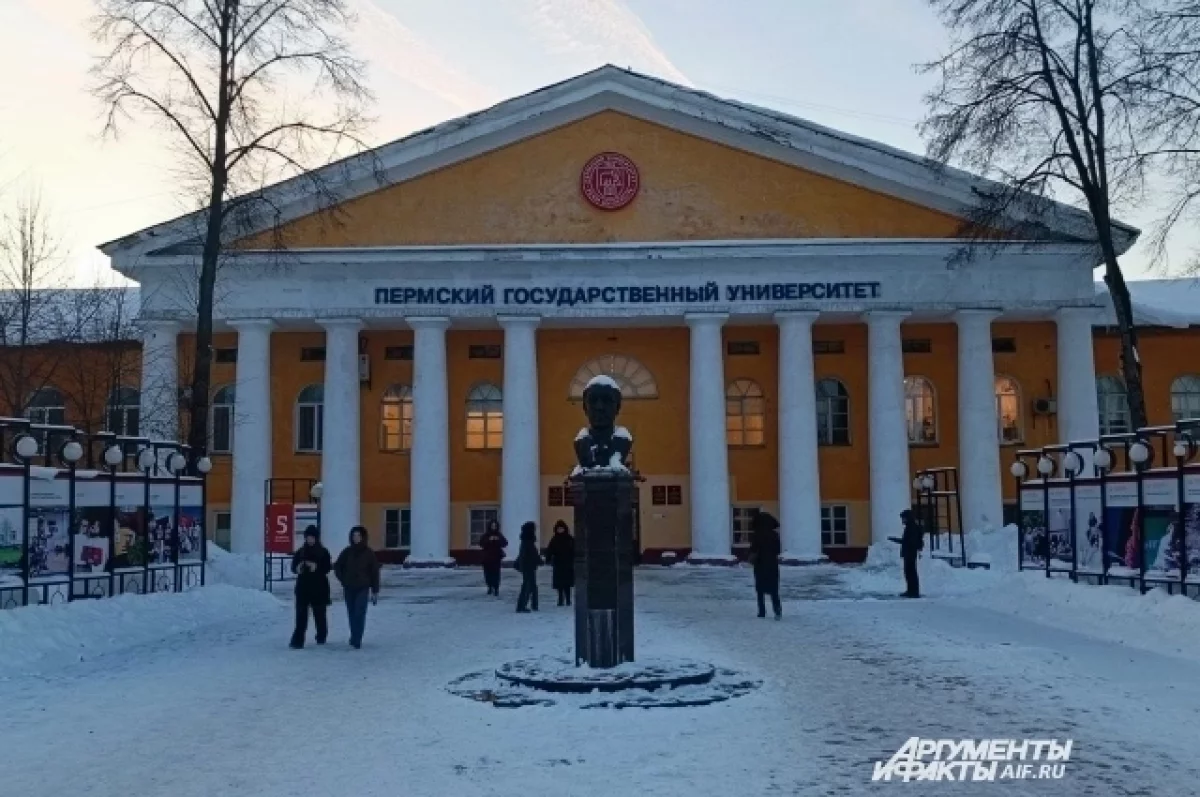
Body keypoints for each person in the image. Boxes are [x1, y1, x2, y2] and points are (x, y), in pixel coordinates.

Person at [334, 526, 380, 648]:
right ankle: (354, 635)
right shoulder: (347, 552)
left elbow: (374, 572)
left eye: (358, 536)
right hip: (349, 587)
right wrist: (343, 579)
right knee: (351, 613)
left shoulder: (369, 553)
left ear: (363, 537)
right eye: (354, 536)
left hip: (363, 587)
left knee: (359, 612)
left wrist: (375, 590)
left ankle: (357, 638)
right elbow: (337, 566)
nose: (356, 538)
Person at [289, 525, 331, 649]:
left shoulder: (323, 552)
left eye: (312, 537)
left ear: (316, 538)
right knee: (301, 616)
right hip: (303, 588)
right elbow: (293, 567)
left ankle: (321, 636)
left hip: (319, 588)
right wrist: (298, 568)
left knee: (320, 615)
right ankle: (298, 641)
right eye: (308, 537)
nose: (310, 539)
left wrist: (316, 567)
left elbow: (327, 567)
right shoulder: (301, 551)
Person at [748, 510, 782, 620]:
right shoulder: (774, 535)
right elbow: (778, 550)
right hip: (772, 564)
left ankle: (762, 611)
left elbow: (753, 549)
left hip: (760, 564)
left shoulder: (756, 535)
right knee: (774, 589)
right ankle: (777, 610)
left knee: (760, 589)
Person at [892, 509, 924, 598]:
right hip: (909, 552)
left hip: (910, 552)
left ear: (908, 518)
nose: (902, 520)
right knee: (909, 572)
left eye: (904, 518)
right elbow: (908, 541)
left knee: (910, 572)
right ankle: (911, 590)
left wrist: (899, 541)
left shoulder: (911, 527)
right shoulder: (910, 527)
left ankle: (913, 591)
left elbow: (910, 541)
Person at [544, 520, 575, 606]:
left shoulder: (569, 539)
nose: (560, 530)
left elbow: (574, 550)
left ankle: (568, 599)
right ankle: (560, 599)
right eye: (558, 529)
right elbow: (550, 550)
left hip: (567, 563)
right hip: (558, 564)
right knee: (559, 584)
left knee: (567, 584)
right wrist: (548, 559)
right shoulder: (554, 539)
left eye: (561, 528)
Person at [515, 521, 541, 613]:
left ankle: (534, 605)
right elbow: (526, 555)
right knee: (527, 586)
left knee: (532, 586)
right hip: (528, 567)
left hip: (529, 566)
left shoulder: (527, 541)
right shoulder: (527, 542)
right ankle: (521, 606)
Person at [478, 519, 508, 596]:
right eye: (492, 526)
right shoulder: (486, 535)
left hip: (496, 558)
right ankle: (490, 587)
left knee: (496, 573)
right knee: (488, 573)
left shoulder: (499, 535)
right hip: (487, 558)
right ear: (490, 526)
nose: (494, 527)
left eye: (495, 526)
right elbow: (481, 543)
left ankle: (496, 588)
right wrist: (489, 540)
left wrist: (498, 540)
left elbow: (505, 543)